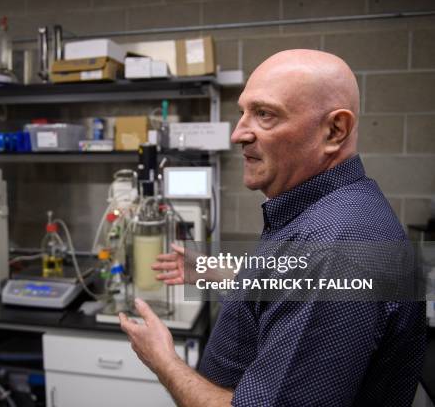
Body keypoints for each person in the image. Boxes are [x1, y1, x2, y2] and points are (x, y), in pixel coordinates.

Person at [119, 49, 426, 406]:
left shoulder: (332, 248)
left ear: (334, 130)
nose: (238, 134)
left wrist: (164, 361)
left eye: (265, 114)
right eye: (243, 113)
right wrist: (218, 272)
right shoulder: (324, 213)